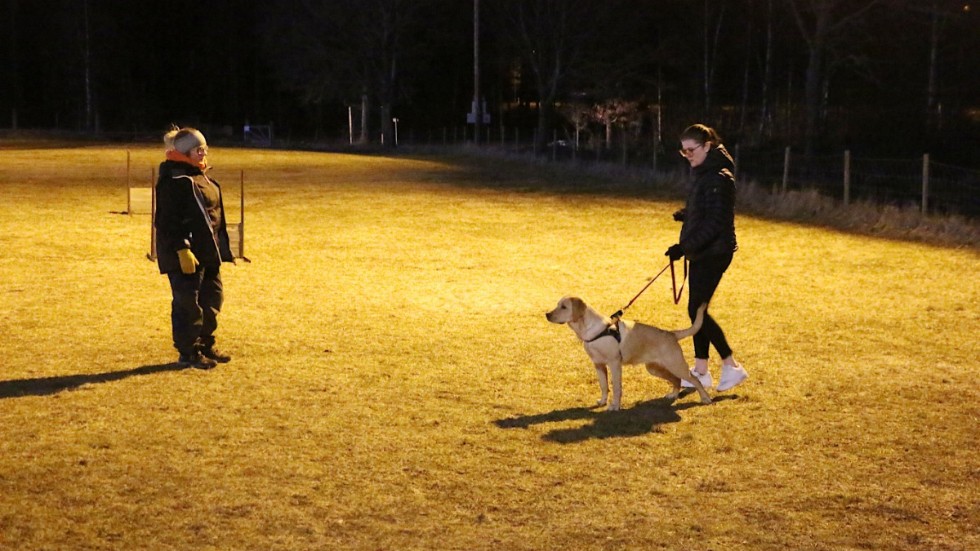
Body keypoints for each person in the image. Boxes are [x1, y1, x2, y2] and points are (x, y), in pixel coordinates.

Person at [665, 123, 748, 392]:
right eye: (684, 151)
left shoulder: (719, 177)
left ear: (707, 146)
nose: (687, 155)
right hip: (702, 250)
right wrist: (688, 215)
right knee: (696, 309)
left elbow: (716, 223)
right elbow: (706, 210)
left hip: (715, 252)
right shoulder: (704, 173)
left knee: (696, 310)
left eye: (692, 150)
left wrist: (684, 247)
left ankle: (731, 366)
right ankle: (701, 371)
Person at [154, 126, 234, 369]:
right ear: (185, 153)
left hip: (208, 252)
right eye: (199, 149)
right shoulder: (174, 180)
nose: (204, 153)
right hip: (186, 255)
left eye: (205, 148)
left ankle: (205, 344)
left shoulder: (202, 176)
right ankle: (188, 352)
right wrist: (182, 249)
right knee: (188, 303)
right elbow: (167, 221)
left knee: (213, 299)